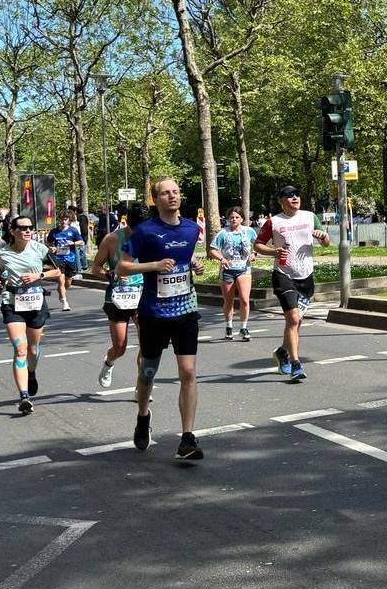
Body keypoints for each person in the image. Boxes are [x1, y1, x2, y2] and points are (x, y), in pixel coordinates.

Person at [119, 177, 207, 460]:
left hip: (185, 310)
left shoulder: (193, 228)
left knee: (189, 373)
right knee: (148, 372)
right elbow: (122, 267)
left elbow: (185, 259)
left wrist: (194, 265)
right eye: (165, 193)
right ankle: (143, 416)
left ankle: (187, 438)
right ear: (155, 200)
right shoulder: (145, 231)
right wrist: (154, 266)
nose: (172, 196)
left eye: (176, 192)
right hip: (153, 313)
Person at [0, 214, 60, 414]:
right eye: (23, 228)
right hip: (12, 303)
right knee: (20, 349)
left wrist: (39, 275)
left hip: (35, 302)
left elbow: (58, 271)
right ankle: (24, 396)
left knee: (33, 349)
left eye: (30, 228)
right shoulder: (4, 253)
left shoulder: (40, 249)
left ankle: (31, 372)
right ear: (13, 231)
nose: (28, 231)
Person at [255, 185, 331, 381]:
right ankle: (296, 364)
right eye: (289, 195)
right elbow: (258, 244)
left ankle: (282, 351)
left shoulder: (309, 217)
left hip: (306, 277)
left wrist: (323, 237)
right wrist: (274, 251)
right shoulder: (274, 221)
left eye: (297, 194)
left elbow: (326, 241)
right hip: (283, 275)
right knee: (294, 319)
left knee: (296, 322)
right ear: (281, 200)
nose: (295, 197)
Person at [89, 203, 148, 389]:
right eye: (136, 229)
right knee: (120, 346)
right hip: (119, 296)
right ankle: (109, 362)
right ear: (127, 223)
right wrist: (110, 274)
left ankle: (142, 386)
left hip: (144, 295)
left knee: (147, 345)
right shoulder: (112, 239)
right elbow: (95, 267)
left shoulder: (151, 237)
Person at [209, 206, 256, 341]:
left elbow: (258, 244)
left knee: (245, 300)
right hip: (227, 270)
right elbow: (212, 250)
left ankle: (243, 327)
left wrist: (254, 253)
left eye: (237, 217)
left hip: (244, 269)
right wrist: (221, 258)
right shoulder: (223, 233)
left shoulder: (249, 231)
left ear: (242, 219)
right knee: (228, 301)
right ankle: (229, 326)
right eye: (232, 217)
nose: (234, 219)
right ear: (228, 219)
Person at [47, 213, 83, 310]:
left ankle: (62, 292)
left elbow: (81, 242)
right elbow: (49, 241)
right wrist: (52, 248)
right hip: (58, 259)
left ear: (68, 220)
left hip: (70, 258)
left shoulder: (73, 231)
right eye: (62, 219)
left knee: (68, 282)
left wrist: (73, 243)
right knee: (61, 281)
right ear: (59, 219)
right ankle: (64, 302)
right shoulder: (54, 231)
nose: (63, 221)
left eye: (65, 219)